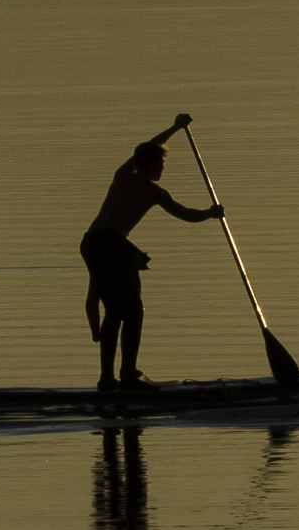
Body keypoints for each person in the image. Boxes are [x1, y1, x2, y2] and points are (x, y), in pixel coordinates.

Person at [80, 113, 222, 390]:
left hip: (92, 243)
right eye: (162, 162)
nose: (163, 167)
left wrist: (175, 128)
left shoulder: (123, 178)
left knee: (115, 311)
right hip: (108, 244)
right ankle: (127, 375)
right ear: (153, 164)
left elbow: (145, 151)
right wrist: (210, 213)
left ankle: (108, 379)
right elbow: (186, 214)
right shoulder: (149, 189)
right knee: (132, 310)